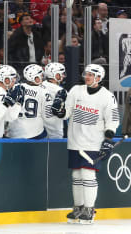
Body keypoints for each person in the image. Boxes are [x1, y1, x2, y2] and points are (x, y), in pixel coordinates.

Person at [51, 64, 119, 224]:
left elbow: (113, 120)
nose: (87, 77)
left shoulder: (107, 96)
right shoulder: (75, 90)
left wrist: (108, 138)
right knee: (76, 175)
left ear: (98, 78)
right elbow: (66, 113)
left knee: (88, 174)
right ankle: (78, 207)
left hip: (93, 142)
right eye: (86, 74)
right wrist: (59, 111)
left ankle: (89, 209)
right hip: (75, 140)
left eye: (90, 75)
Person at [6, 64, 52, 139]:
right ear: (34, 77)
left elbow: (6, 107)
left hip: (14, 132)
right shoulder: (44, 92)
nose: (42, 77)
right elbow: (48, 116)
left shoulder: (16, 87)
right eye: (40, 75)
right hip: (35, 133)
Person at [42, 62, 66, 138]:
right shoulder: (59, 90)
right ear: (55, 75)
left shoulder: (40, 85)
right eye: (61, 73)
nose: (63, 75)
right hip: (54, 128)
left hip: (39, 127)